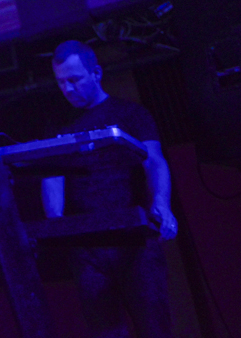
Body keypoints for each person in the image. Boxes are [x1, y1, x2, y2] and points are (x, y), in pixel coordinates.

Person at [41, 40, 176, 338]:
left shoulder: (131, 114)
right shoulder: (59, 125)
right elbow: (52, 175)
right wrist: (56, 222)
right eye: (61, 82)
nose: (68, 89)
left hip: (135, 240)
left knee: (154, 326)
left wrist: (162, 203)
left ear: (97, 73)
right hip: (88, 246)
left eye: (74, 80)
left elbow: (154, 162)